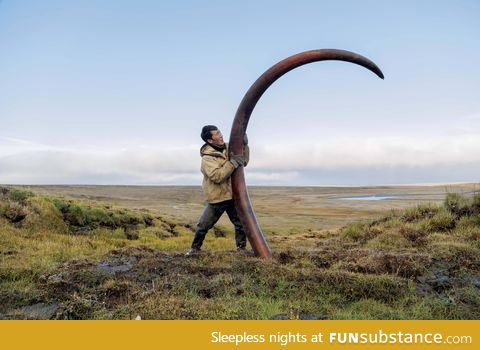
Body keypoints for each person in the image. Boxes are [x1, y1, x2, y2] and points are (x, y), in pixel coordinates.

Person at [185, 125, 249, 256]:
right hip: (217, 198)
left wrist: (245, 146)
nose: (221, 135)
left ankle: (241, 249)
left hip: (232, 196)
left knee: (241, 223)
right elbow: (217, 176)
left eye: (219, 131)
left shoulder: (229, 147)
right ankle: (194, 249)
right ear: (210, 140)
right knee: (203, 225)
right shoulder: (207, 158)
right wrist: (232, 163)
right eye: (216, 134)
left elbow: (244, 161)